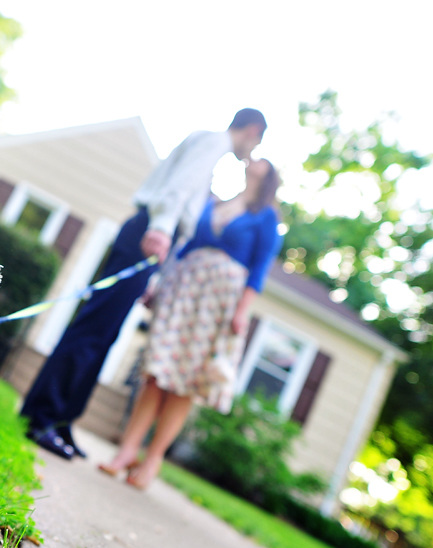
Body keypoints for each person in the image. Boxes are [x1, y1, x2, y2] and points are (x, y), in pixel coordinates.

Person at [20, 109, 268, 459]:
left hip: (151, 241)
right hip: (147, 234)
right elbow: (177, 189)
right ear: (252, 130)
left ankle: (62, 419)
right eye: (257, 141)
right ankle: (43, 417)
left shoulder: (213, 150)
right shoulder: (213, 142)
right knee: (95, 329)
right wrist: (161, 229)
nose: (252, 150)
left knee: (106, 335)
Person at [98, 157, 282, 489]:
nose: (253, 160)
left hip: (220, 303)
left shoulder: (266, 217)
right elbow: (186, 248)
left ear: (268, 176)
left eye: (261, 161)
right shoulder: (217, 203)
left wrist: (242, 311)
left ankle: (152, 458)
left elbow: (259, 270)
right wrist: (160, 284)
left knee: (186, 383)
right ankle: (127, 451)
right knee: (156, 372)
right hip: (182, 289)